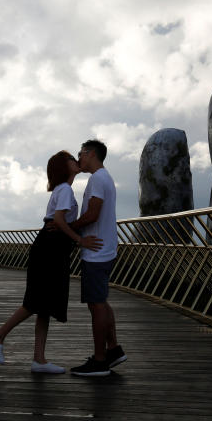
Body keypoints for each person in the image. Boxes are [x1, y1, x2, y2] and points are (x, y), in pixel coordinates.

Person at [0, 150, 102, 373]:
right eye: (71, 159)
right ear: (63, 166)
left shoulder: (63, 190)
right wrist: (80, 240)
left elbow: (59, 220)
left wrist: (68, 232)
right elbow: (59, 219)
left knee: (45, 305)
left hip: (52, 246)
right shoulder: (65, 190)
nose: (76, 161)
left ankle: (39, 359)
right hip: (50, 247)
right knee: (36, 300)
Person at [69, 139, 126, 377]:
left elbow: (92, 214)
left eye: (80, 153)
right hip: (104, 248)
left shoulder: (97, 179)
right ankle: (112, 349)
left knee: (96, 304)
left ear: (91, 154)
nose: (79, 158)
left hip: (96, 251)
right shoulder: (105, 178)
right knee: (100, 301)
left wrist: (69, 227)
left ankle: (100, 360)